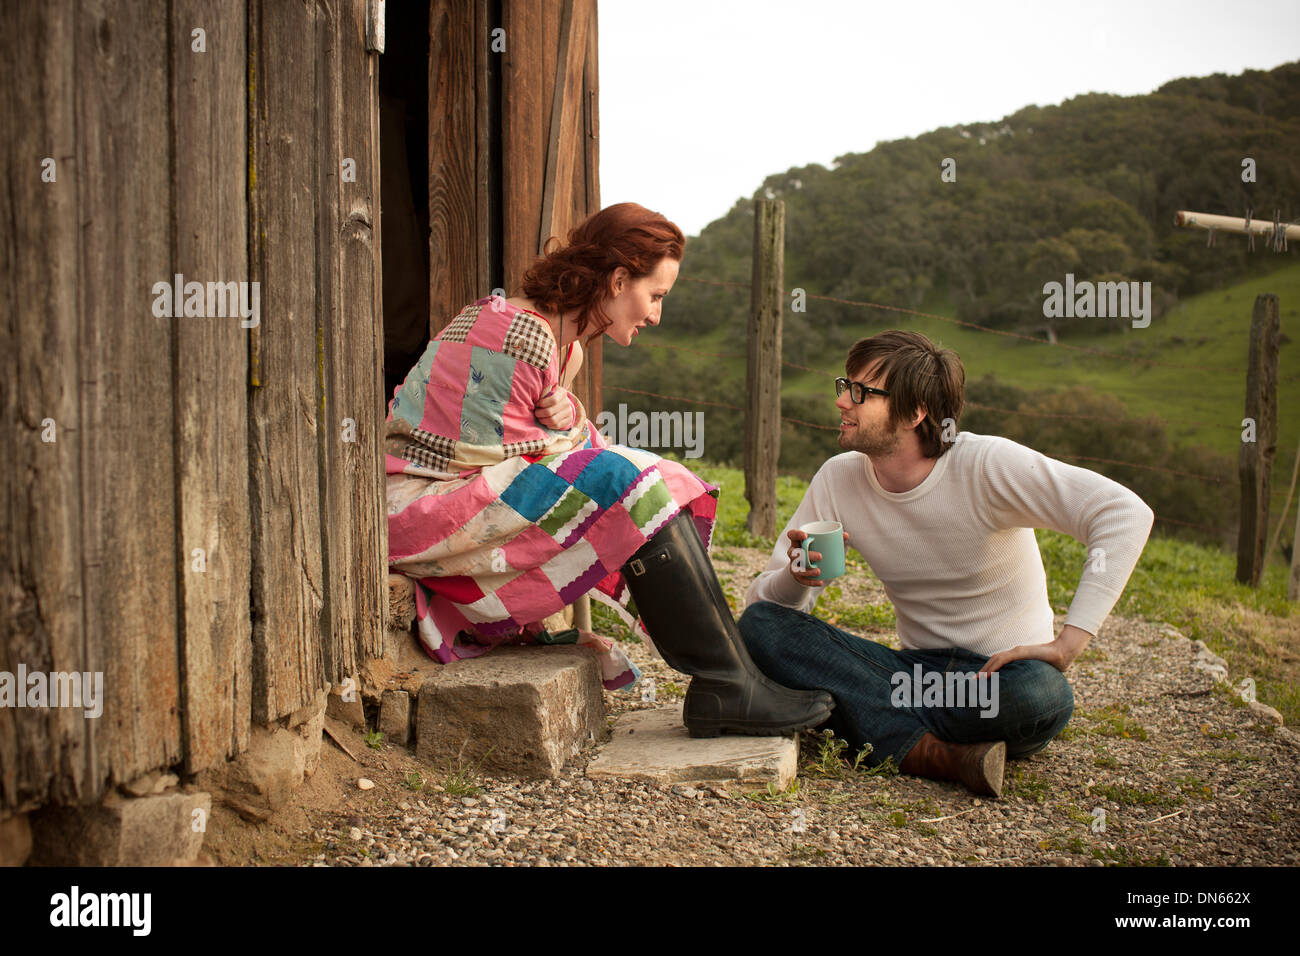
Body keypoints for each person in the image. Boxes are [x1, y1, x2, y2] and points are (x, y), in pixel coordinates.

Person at [385, 202, 832, 738]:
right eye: (655, 296)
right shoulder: (518, 331)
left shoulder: (560, 343)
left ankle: (731, 679)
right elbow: (500, 458)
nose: (656, 316)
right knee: (624, 476)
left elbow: (541, 450)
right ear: (619, 279)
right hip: (418, 506)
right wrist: (570, 428)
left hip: (460, 500)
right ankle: (728, 683)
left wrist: (569, 418)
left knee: (645, 476)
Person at [739, 330, 1155, 795]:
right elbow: (769, 610)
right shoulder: (839, 479)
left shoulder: (985, 465)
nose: (842, 402)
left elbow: (1124, 513)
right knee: (760, 627)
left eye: (861, 392)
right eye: (845, 385)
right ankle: (935, 752)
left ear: (915, 412)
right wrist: (797, 579)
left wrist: (1068, 644)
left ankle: (871, 718)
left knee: (1043, 696)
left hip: (1000, 677)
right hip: (912, 676)